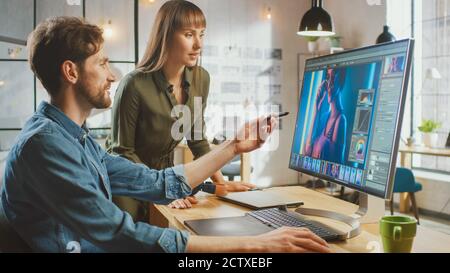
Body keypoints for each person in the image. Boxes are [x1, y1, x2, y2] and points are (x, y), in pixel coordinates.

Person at [0, 16, 331, 253]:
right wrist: (253, 246)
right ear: (71, 71)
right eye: (102, 64)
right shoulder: (45, 146)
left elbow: (154, 183)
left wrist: (233, 146)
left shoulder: (76, 139)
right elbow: (119, 234)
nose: (112, 74)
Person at [106, 0, 254, 218]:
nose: (198, 44)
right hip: (128, 182)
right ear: (165, 36)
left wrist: (221, 185)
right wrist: (166, 189)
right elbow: (122, 151)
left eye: (201, 34)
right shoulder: (134, 84)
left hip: (167, 178)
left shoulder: (200, 79)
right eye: (189, 34)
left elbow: (197, 140)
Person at [303, 68, 347, 164]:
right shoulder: (324, 117)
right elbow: (307, 151)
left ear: (341, 81)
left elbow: (333, 168)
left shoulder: (340, 120)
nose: (330, 83)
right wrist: (315, 110)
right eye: (328, 77)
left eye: (333, 76)